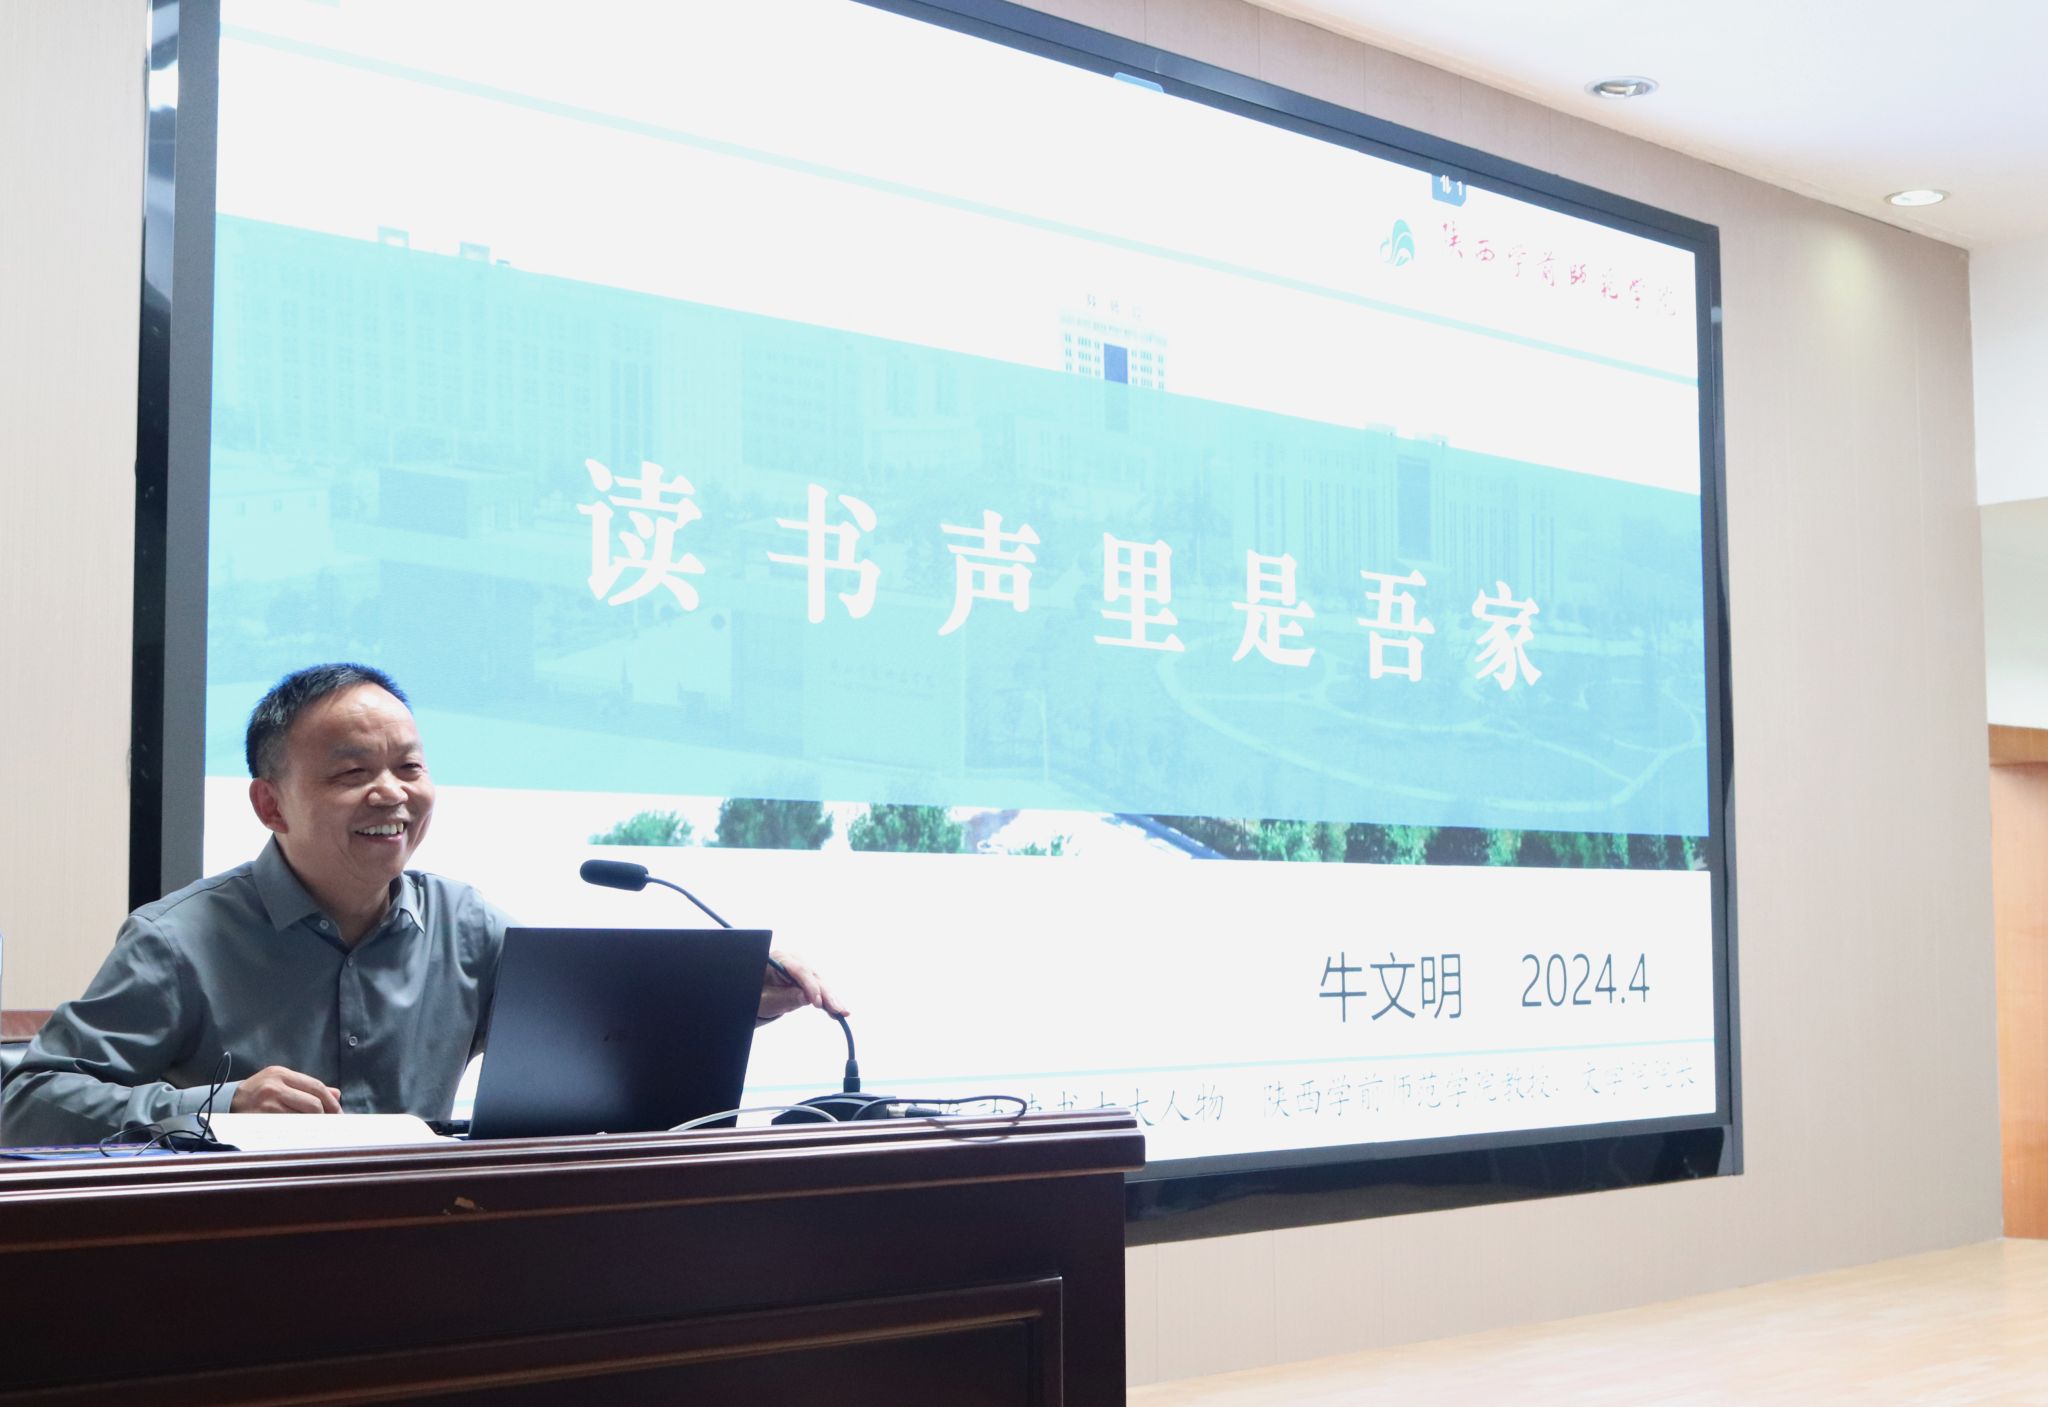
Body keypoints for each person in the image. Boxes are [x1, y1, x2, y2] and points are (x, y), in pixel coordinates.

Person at [1, 663, 841, 1146]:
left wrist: (735, 996)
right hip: (234, 1256)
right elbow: (24, 1104)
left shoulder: (467, 923)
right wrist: (217, 1106)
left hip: (429, 1242)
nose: (391, 793)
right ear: (270, 803)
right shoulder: (177, 941)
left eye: (409, 766)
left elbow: (595, 1034)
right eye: (351, 771)